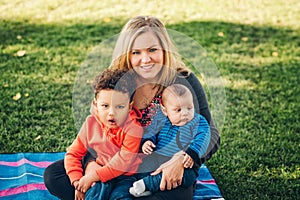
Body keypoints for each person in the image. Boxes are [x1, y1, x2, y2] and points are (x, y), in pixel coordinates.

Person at [44, 15, 220, 200]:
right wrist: (90, 164)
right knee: (53, 176)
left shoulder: (184, 82)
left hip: (161, 167)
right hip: (113, 161)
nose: (146, 59)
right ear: (126, 54)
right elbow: (98, 129)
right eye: (136, 52)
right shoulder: (117, 82)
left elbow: (211, 134)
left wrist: (182, 160)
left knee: (175, 192)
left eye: (152, 49)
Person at [64, 68, 143, 200]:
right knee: (93, 194)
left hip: (125, 176)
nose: (111, 113)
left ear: (129, 107)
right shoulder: (90, 124)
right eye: (105, 106)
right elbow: (73, 154)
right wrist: (78, 182)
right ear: (96, 105)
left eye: (119, 107)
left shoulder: (134, 128)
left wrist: (92, 177)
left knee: (120, 196)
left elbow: (122, 162)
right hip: (98, 170)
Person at [129, 84, 210, 197]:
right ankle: (148, 186)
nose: (185, 113)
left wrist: (192, 153)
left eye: (189, 108)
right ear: (165, 110)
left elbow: (204, 137)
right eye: (178, 110)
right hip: (158, 156)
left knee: (187, 177)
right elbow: (151, 131)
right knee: (144, 165)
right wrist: (147, 142)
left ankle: (147, 185)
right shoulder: (160, 118)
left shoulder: (197, 121)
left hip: (183, 163)